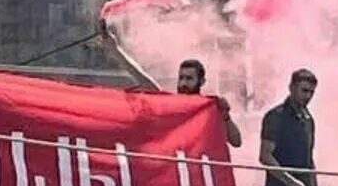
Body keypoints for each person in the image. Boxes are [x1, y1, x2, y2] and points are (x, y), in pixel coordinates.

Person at [97, 20, 243, 147]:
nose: (184, 83)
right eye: (182, 78)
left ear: (201, 81)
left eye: (189, 79)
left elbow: (236, 141)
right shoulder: (172, 105)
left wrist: (225, 116)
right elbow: (146, 83)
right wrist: (116, 51)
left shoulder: (210, 108)